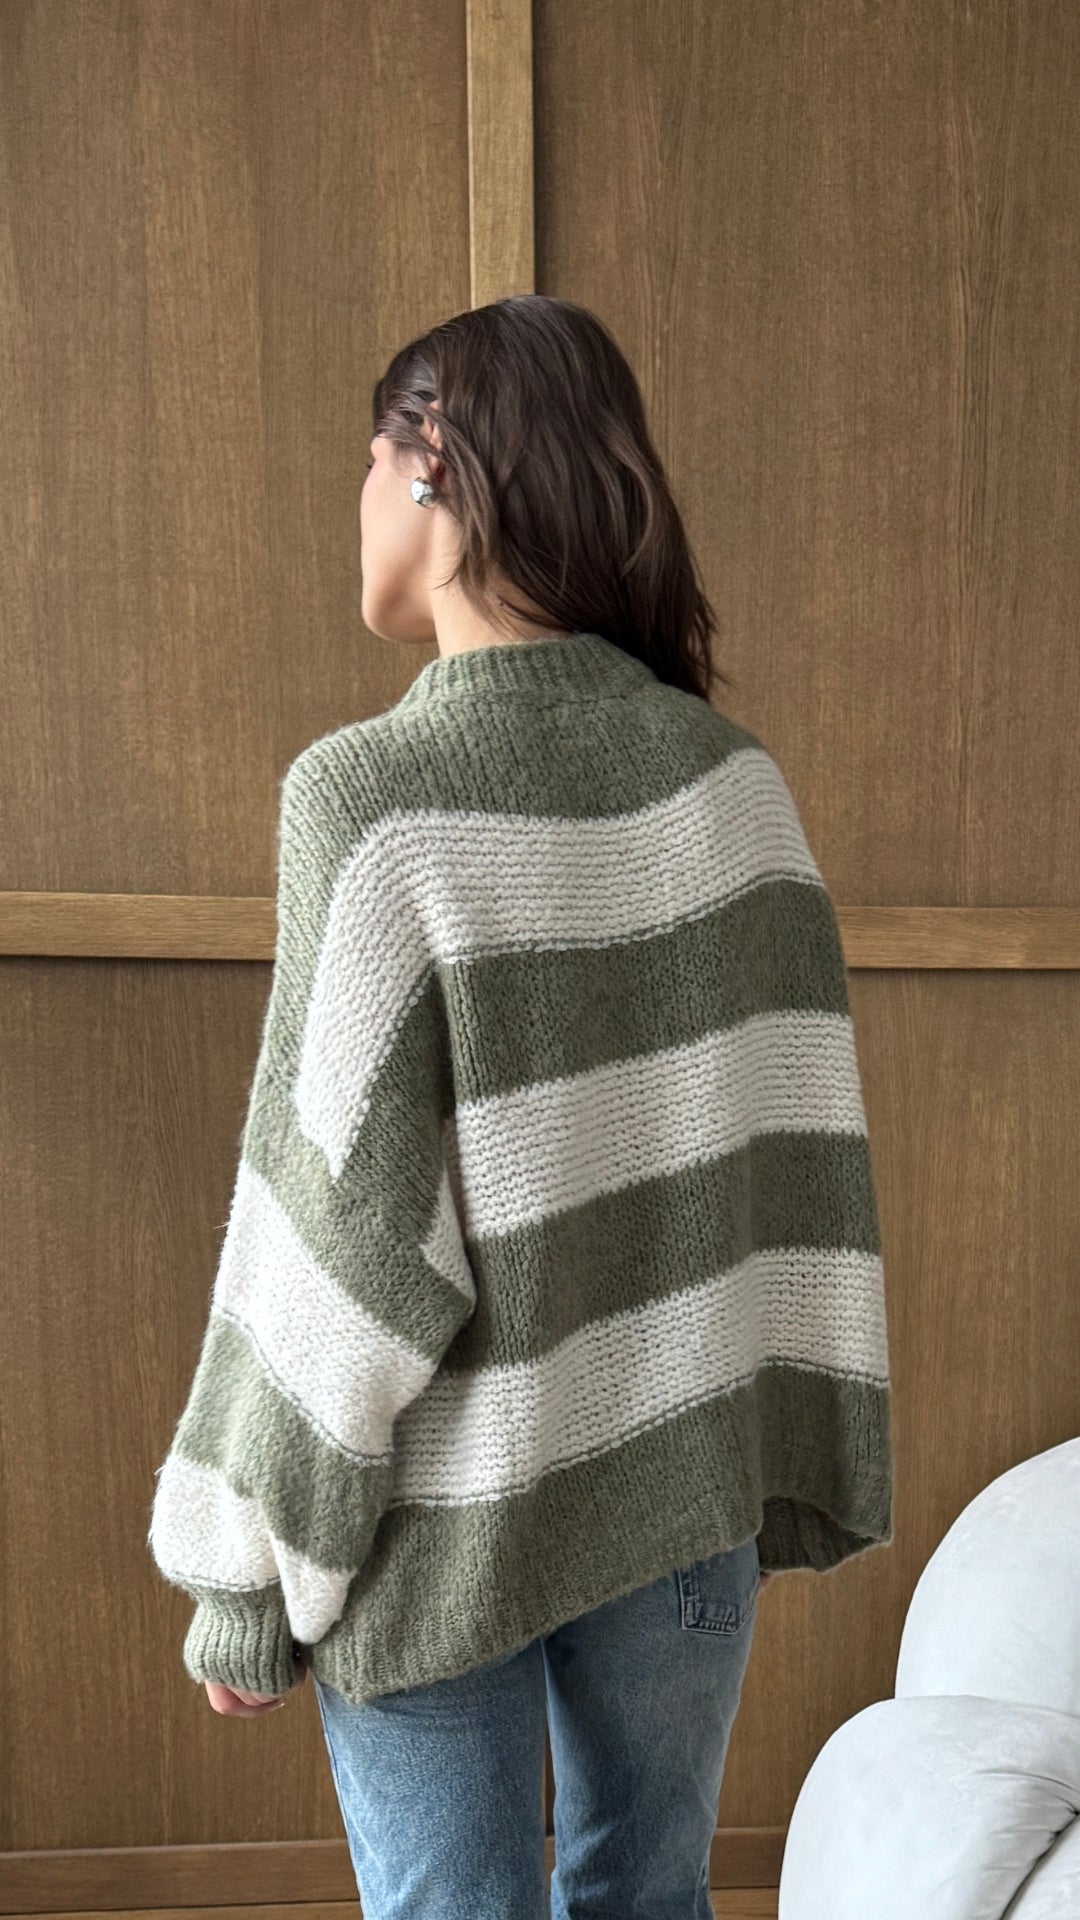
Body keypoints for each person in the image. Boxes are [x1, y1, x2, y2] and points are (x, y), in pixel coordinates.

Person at [148, 294, 892, 1919]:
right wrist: (791, 1450)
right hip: (681, 1492)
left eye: (367, 456)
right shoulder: (735, 790)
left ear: (433, 463)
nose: (354, 497)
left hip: (445, 1529)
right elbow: (800, 1182)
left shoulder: (373, 803)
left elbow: (342, 1243)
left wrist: (246, 1572)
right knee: (649, 1897)